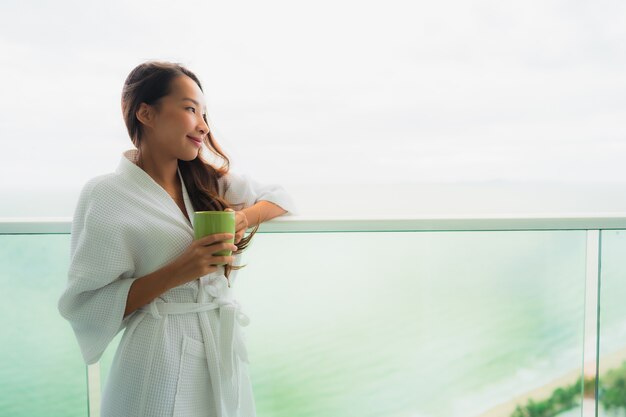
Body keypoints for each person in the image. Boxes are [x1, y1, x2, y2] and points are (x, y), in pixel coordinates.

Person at [58, 61, 297, 417]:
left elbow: (282, 198)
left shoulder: (207, 183)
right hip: (157, 356)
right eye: (189, 109)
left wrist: (240, 219)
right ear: (146, 113)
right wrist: (179, 270)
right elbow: (86, 303)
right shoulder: (105, 194)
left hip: (220, 345)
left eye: (204, 114)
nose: (202, 125)